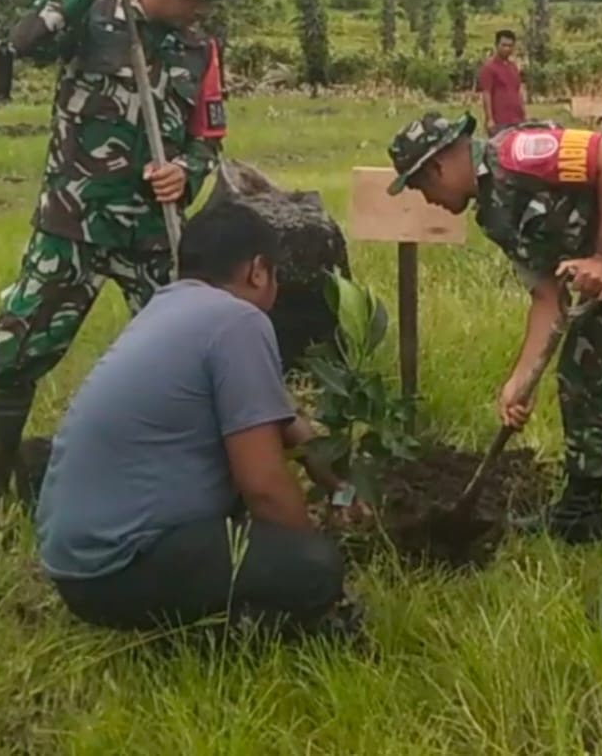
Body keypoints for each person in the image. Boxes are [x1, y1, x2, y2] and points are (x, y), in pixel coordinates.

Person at [384, 113, 602, 629]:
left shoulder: (516, 155)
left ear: (443, 163)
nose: (425, 198)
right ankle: (583, 506)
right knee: (580, 373)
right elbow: (548, 297)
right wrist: (520, 380)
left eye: (422, 183)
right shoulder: (494, 215)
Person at [0, 0, 241, 514]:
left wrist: (184, 173)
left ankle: (185, 478)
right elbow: (23, 42)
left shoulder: (199, 50)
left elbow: (208, 137)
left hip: (153, 234)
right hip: (73, 224)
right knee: (16, 349)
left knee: (185, 357)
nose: (203, 10)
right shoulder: (93, 15)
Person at [35, 201, 361, 638]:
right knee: (315, 568)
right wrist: (306, 550)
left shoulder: (168, 309)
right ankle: (225, 632)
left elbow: (278, 415)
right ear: (258, 271)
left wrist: (336, 482)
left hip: (78, 567)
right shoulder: (239, 320)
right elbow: (263, 487)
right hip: (121, 569)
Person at [477, 29, 526, 134]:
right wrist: (490, 119)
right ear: (496, 45)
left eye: (510, 46)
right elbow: (486, 94)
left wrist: (523, 114)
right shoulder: (489, 68)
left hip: (517, 120)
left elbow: (518, 91)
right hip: (500, 122)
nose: (506, 49)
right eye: (503, 45)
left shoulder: (513, 67)